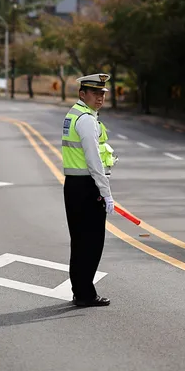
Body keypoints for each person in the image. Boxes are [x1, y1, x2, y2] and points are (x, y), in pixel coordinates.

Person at [61, 73, 117, 307]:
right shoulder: (85, 119)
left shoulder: (75, 115)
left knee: (81, 241)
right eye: (95, 93)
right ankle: (85, 293)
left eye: (102, 93)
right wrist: (106, 193)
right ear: (82, 94)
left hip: (75, 186)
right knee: (92, 242)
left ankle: (81, 290)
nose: (100, 97)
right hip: (86, 187)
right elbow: (94, 162)